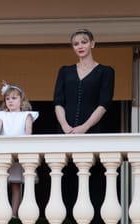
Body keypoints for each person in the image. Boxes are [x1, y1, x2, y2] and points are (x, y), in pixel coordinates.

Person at [53, 29, 115, 223]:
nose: (80, 46)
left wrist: (84, 127)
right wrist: (65, 125)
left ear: (92, 44)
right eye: (76, 43)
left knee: (93, 179)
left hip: (93, 133)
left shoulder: (106, 71)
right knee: (66, 179)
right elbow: (58, 101)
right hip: (66, 133)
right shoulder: (65, 71)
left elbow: (104, 103)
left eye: (84, 42)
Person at [0, 81, 39, 218]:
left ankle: (14, 214)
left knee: (15, 185)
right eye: (7, 98)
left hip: (18, 153)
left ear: (22, 100)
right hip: (3, 152)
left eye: (14, 98)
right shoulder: (2, 115)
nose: (10, 101)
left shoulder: (26, 115)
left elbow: (28, 132)